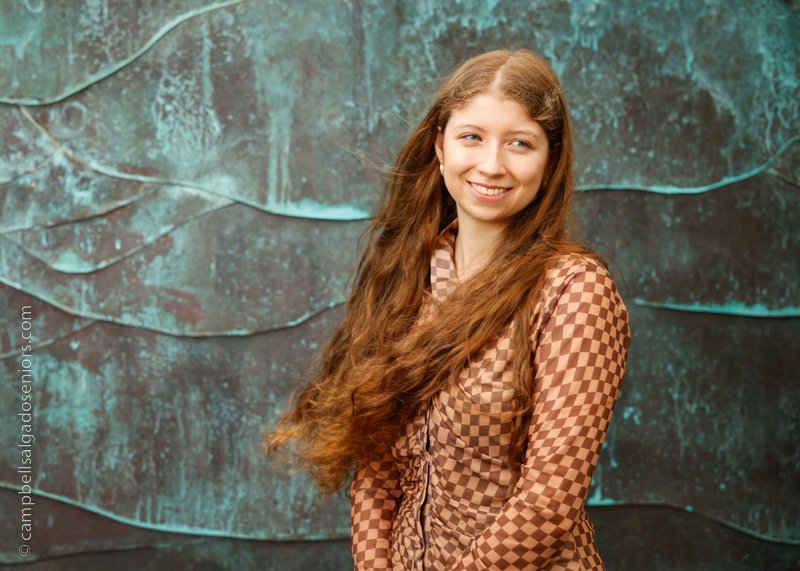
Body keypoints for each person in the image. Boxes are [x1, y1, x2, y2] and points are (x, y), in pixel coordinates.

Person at [265, 48, 632, 570]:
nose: (491, 164)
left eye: (520, 144)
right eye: (472, 137)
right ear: (440, 145)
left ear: (550, 160)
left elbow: (549, 503)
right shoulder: (408, 274)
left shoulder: (574, 292)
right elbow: (375, 463)